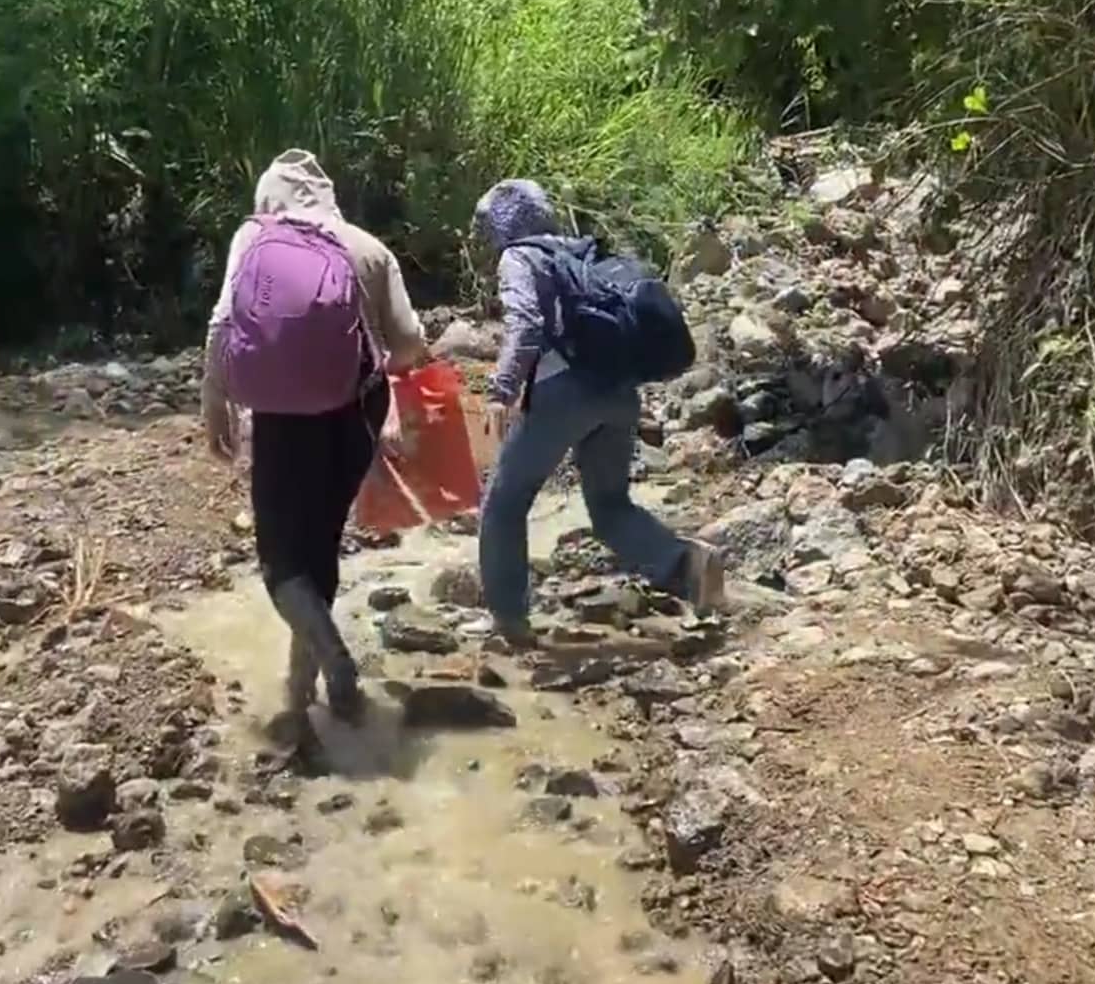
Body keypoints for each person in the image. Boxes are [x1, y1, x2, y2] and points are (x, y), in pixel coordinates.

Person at [202, 149, 428, 747]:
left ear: (268, 195)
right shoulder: (366, 246)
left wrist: (215, 401)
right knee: (321, 541)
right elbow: (409, 343)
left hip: (282, 419)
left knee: (281, 561)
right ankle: (301, 687)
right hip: (356, 411)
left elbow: (223, 324)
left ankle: (330, 660)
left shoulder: (254, 240)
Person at [474, 179, 724, 645]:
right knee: (610, 506)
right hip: (618, 392)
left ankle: (509, 623)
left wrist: (502, 390)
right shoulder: (579, 251)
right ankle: (688, 564)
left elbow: (525, 324)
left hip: (561, 394)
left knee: (504, 505)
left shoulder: (519, 257)